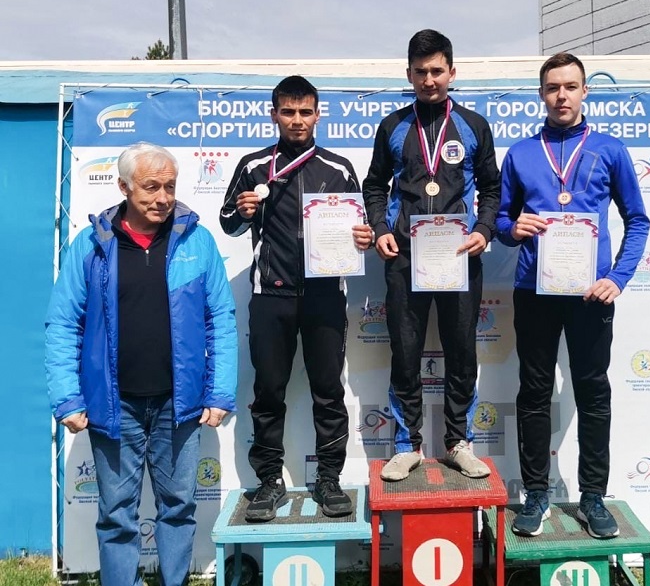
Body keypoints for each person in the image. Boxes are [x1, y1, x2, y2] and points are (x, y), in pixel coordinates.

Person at [45, 142, 237, 586]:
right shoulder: (92, 245)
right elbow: (63, 323)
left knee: (179, 508)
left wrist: (220, 392)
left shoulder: (197, 241)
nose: (162, 197)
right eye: (151, 187)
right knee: (117, 515)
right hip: (114, 407)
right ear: (124, 187)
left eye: (170, 186)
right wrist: (67, 398)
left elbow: (221, 321)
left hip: (180, 406)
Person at [496, 52, 650, 538]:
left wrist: (618, 278)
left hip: (590, 295)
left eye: (570, 87)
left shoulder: (609, 150)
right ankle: (535, 494)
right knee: (534, 392)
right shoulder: (521, 153)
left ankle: (593, 497)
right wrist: (511, 228)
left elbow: (638, 220)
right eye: (552, 88)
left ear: (585, 91)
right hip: (534, 291)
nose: (561, 96)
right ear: (541, 94)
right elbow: (500, 219)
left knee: (593, 391)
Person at [221, 75, 366, 521]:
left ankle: (329, 479)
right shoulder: (253, 165)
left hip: (325, 296)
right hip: (271, 296)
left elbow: (360, 227)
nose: (297, 120)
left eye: (305, 112)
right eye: (288, 112)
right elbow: (227, 222)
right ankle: (268, 481)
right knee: (268, 391)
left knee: (329, 391)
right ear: (274, 115)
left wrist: (362, 237)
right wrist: (241, 212)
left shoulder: (339, 168)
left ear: (318, 115)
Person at [359, 29, 501, 481]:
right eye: (420, 72)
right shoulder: (393, 126)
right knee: (405, 353)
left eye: (437, 71)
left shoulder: (474, 126)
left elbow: (492, 188)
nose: (429, 80)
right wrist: (381, 229)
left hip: (459, 255)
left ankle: (459, 442)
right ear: (409, 74)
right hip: (404, 257)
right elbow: (374, 185)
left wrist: (483, 230)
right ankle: (407, 445)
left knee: (462, 352)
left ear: (452, 72)